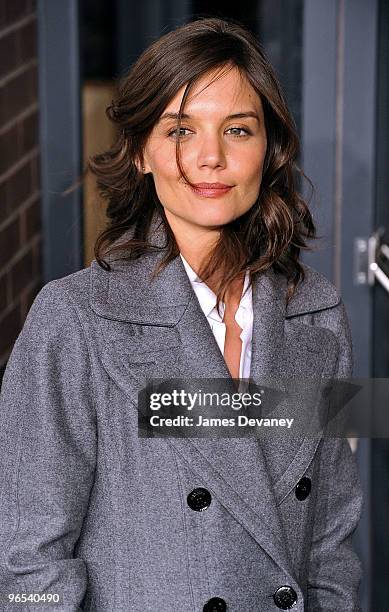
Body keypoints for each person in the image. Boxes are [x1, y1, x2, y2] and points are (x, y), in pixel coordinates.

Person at [0, 16, 362, 612]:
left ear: (269, 149)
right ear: (141, 152)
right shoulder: (72, 322)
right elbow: (27, 567)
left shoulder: (320, 317)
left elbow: (329, 542)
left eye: (238, 130)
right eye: (180, 130)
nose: (210, 157)